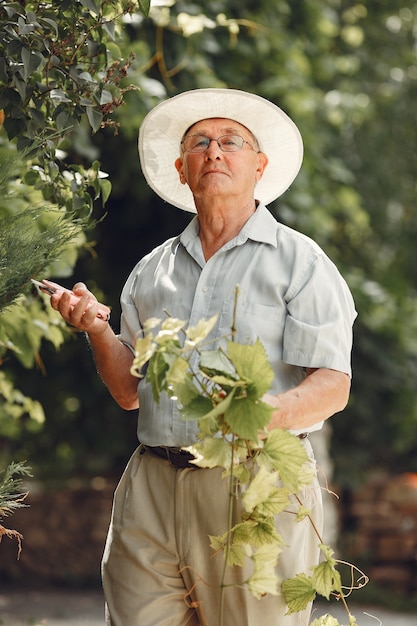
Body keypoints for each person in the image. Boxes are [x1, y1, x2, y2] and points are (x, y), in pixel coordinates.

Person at [50, 88, 357, 626]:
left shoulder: (300, 262)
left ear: (258, 165)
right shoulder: (152, 270)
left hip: (257, 484)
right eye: (200, 143)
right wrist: (98, 328)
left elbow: (332, 384)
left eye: (231, 142)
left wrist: (266, 414)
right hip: (152, 484)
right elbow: (128, 392)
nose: (215, 151)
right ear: (183, 168)